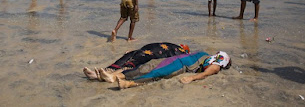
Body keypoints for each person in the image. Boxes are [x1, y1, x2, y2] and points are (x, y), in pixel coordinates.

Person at [87, 51, 231, 89]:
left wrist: (191, 78)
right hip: (178, 59)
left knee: (155, 73)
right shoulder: (208, 56)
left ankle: (128, 83)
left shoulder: (217, 65)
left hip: (180, 65)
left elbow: (206, 73)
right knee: (147, 67)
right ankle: (114, 76)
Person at [83, 42, 190, 80]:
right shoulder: (178, 49)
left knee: (134, 61)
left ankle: (111, 75)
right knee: (130, 56)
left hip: (150, 52)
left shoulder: (182, 53)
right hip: (146, 50)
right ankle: (100, 73)